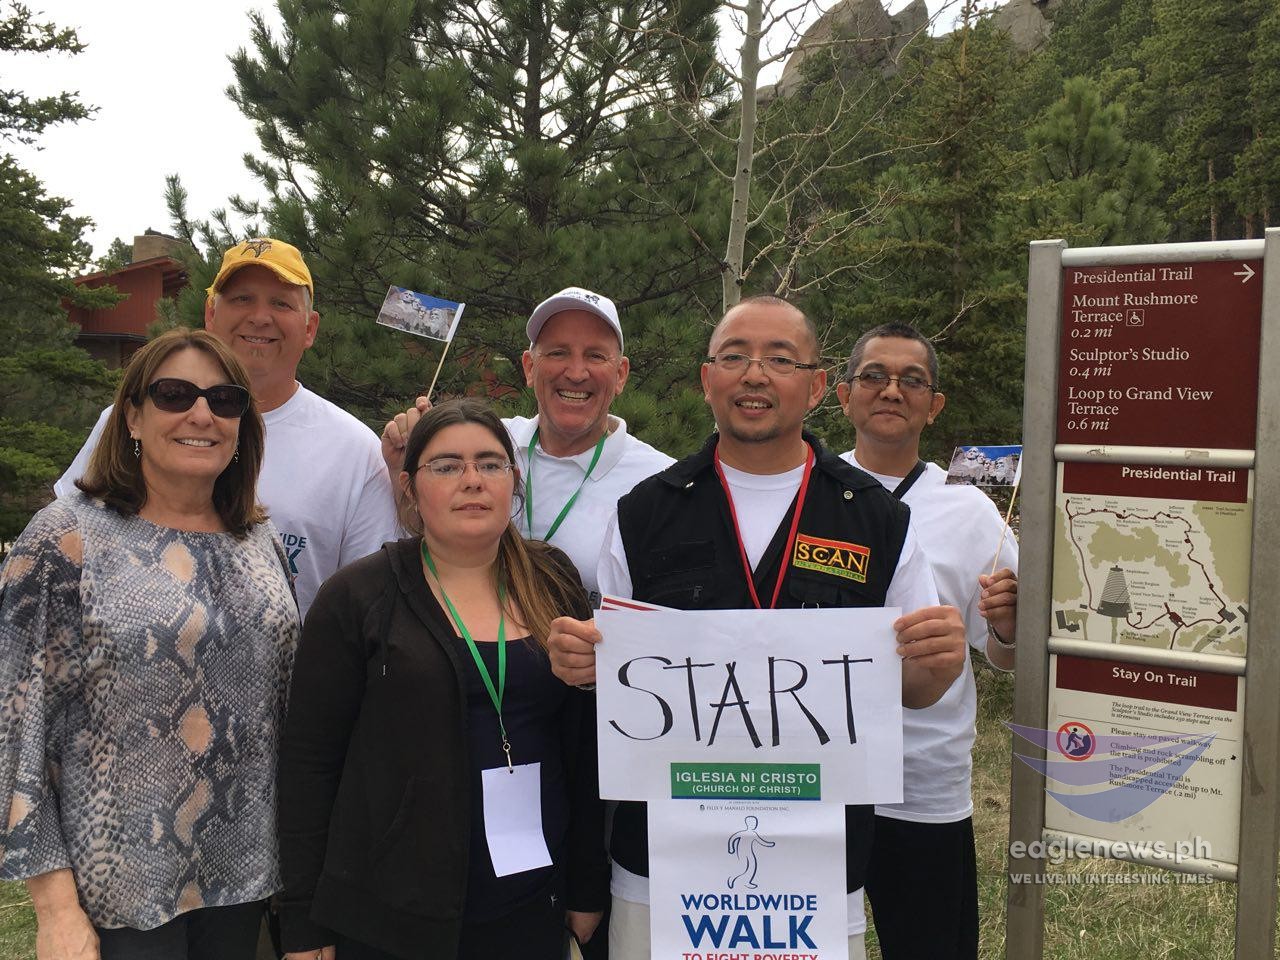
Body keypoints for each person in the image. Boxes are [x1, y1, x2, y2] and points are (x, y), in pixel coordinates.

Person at [547, 295, 969, 960]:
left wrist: (938, 664)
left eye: (780, 359)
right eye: (734, 356)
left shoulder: (874, 519)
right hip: (661, 864)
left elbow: (913, 688)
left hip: (817, 866)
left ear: (817, 386)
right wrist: (584, 665)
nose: (754, 374)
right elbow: (619, 679)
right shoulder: (645, 513)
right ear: (706, 378)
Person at [0, 329, 299, 959]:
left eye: (224, 399)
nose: (201, 414)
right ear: (132, 416)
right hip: (117, 893)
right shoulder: (66, 539)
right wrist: (54, 907)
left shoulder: (261, 542)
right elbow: (15, 727)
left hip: (246, 880)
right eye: (174, 395)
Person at [277, 399, 609, 960]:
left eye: (490, 463)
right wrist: (304, 924)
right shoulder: (358, 597)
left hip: (530, 900)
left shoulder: (551, 580)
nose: (472, 480)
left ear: (514, 481)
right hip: (391, 915)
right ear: (410, 486)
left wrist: (586, 882)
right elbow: (310, 764)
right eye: (447, 465)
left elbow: (582, 742)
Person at [57, 237, 400, 616]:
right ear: (210, 314)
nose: (260, 316)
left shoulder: (356, 450)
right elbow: (62, 551)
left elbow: (369, 603)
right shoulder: (135, 420)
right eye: (242, 298)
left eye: (281, 303)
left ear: (310, 328)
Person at [835, 321, 1018, 960]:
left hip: (923, 784)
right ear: (843, 395)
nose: (892, 391)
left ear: (934, 405)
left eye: (911, 380)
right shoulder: (805, 490)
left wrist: (1008, 625)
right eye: (874, 376)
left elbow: (1004, 655)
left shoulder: (970, 510)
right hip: (818, 776)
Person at [381, 286, 673, 593]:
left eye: (595, 356)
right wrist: (406, 466)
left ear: (621, 375)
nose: (576, 373)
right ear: (529, 367)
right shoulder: (484, 447)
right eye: (558, 352)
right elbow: (423, 547)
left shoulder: (660, 482)